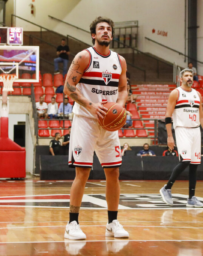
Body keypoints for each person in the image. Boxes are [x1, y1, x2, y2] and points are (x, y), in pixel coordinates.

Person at [63, 16, 129, 240]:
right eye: (101, 29)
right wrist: (91, 106)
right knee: (83, 172)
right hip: (86, 119)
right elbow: (68, 87)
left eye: (109, 29)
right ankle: (72, 223)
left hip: (108, 123)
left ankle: (112, 222)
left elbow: (123, 89)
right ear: (93, 34)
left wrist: (118, 107)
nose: (105, 32)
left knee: (114, 172)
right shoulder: (84, 57)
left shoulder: (120, 60)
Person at [160, 68, 203, 208]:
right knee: (186, 160)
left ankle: (191, 198)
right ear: (181, 78)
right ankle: (167, 188)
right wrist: (169, 136)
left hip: (195, 131)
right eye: (186, 75)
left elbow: (201, 116)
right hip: (182, 130)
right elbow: (168, 116)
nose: (189, 78)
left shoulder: (197, 95)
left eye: (191, 76)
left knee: (194, 164)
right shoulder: (175, 93)